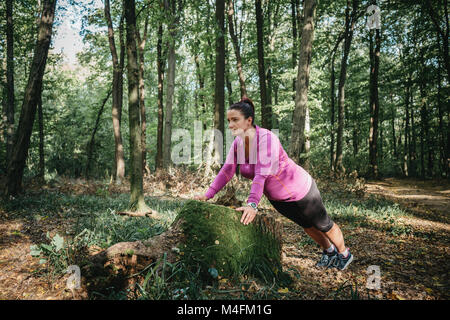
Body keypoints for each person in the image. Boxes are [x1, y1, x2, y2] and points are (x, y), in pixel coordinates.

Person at [194, 97, 353, 270]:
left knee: (323, 225)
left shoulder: (267, 140)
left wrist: (252, 204)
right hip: (278, 199)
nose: (230, 125)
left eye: (235, 120)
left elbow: (260, 175)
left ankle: (344, 254)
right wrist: (207, 194)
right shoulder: (238, 144)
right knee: (307, 225)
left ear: (249, 120)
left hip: (301, 190)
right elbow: (227, 171)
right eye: (229, 121)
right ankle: (329, 252)